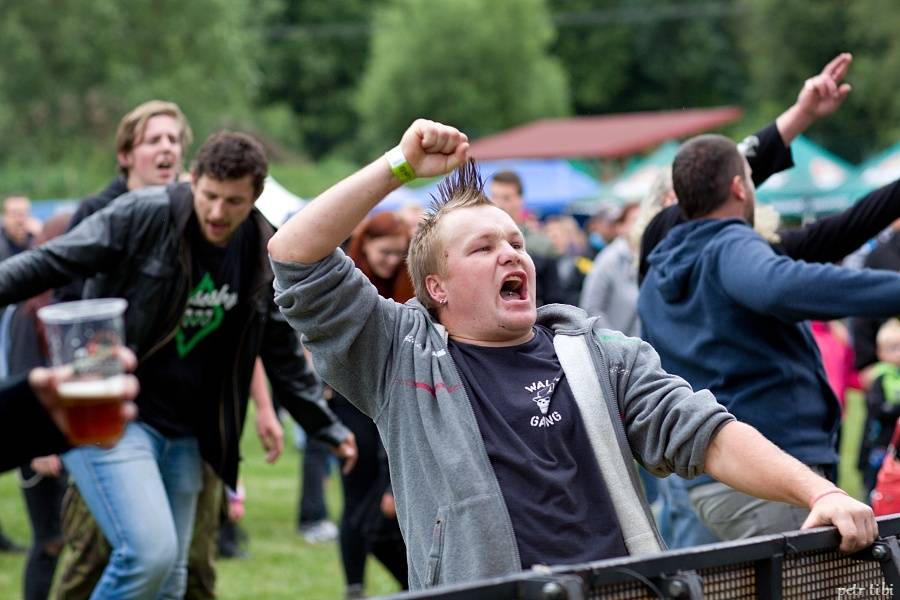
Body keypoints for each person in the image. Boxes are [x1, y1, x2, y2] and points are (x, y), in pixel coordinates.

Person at [268, 118, 876, 589]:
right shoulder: (399, 356)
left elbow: (704, 430)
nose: (512, 254)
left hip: (622, 592)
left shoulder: (597, 352)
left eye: (515, 241)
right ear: (437, 288)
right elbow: (295, 254)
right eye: (482, 249)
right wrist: (398, 166)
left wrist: (818, 492)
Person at [0, 131, 356, 600]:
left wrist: (325, 428)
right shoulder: (144, 214)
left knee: (170, 583)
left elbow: (279, 349)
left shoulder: (261, 247)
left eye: (233, 201)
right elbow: (52, 261)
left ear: (255, 195)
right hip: (118, 413)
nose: (216, 212)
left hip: (190, 432)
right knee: (149, 556)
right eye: (208, 195)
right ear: (194, 180)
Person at [636, 126, 900, 543]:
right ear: (741, 187)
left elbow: (841, 230)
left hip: (713, 477)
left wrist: (798, 119)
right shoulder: (729, 245)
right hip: (769, 475)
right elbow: (784, 285)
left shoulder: (660, 261)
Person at [332, 212, 411, 598]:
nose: (392, 260)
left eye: (400, 253)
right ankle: (354, 586)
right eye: (385, 252)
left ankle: (412, 583)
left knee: (387, 502)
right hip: (351, 404)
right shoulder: (348, 282)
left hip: (396, 397)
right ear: (364, 245)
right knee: (357, 499)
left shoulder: (404, 282)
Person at [488, 171, 560, 305]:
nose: (499, 204)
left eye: (506, 198)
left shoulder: (542, 245)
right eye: (494, 196)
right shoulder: (481, 241)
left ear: (520, 200)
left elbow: (554, 298)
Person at [860, 319, 900, 495]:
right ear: (880, 352)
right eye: (893, 348)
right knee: (875, 481)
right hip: (880, 441)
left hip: (896, 440)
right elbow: (876, 408)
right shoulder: (880, 377)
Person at [1, 195, 35, 262]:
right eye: (14, 214)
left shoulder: (38, 240)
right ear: (4, 218)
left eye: (23, 214)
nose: (20, 221)